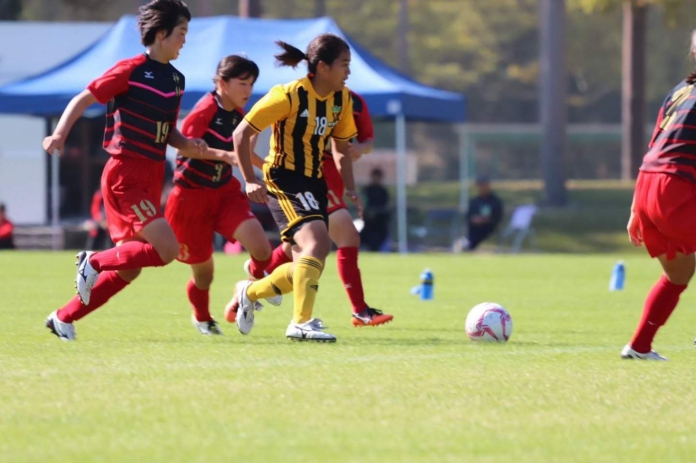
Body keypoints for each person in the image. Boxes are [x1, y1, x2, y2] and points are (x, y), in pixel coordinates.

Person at [42, 0, 206, 341]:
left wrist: (189, 144)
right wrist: (59, 133)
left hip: (149, 176)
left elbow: (169, 131)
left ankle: (63, 317)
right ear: (161, 34)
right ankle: (93, 260)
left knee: (130, 268)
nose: (184, 40)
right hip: (124, 176)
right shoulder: (130, 69)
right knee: (168, 251)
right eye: (181, 33)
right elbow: (84, 98)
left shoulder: (177, 80)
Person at [229, 34, 360, 342]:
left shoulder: (342, 99)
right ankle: (301, 323)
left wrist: (351, 188)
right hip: (284, 179)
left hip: (314, 182)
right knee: (317, 245)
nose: (348, 72)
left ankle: (251, 291)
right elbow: (240, 133)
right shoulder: (289, 95)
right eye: (344, 65)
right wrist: (249, 179)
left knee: (306, 263)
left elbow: (341, 148)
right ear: (324, 67)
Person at [245, 92, 393, 327]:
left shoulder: (352, 102)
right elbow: (245, 136)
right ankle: (353, 312)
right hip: (312, 176)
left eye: (348, 65)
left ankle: (251, 285)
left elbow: (363, 143)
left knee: (301, 246)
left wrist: (359, 151)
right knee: (340, 237)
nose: (347, 72)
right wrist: (263, 168)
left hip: (335, 178)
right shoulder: (297, 95)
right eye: (342, 64)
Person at [164, 54, 280, 336]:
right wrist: (224, 155)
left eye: (251, 83)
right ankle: (202, 317)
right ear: (221, 83)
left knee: (262, 249)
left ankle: (248, 287)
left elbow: (242, 153)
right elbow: (185, 148)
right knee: (204, 274)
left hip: (225, 193)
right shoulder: (205, 109)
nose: (248, 90)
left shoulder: (239, 116)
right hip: (191, 198)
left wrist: (269, 169)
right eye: (242, 83)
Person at [623, 31, 696, 361]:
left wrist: (635, 208)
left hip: (648, 186)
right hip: (675, 188)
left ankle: (639, 346)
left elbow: (655, 145)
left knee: (678, 274)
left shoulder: (680, 91)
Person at [465, 176, 503, 251]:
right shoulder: (475, 201)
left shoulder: (495, 201)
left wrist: (486, 220)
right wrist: (475, 219)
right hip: (474, 227)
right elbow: (469, 215)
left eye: (483, 185)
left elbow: (498, 216)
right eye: (479, 186)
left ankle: (470, 246)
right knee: (473, 230)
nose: (481, 188)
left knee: (480, 231)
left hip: (490, 227)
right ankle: (469, 246)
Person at [361, 167, 390, 252]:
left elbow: (385, 205)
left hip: (380, 223)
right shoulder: (366, 190)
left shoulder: (383, 191)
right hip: (369, 223)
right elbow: (363, 204)